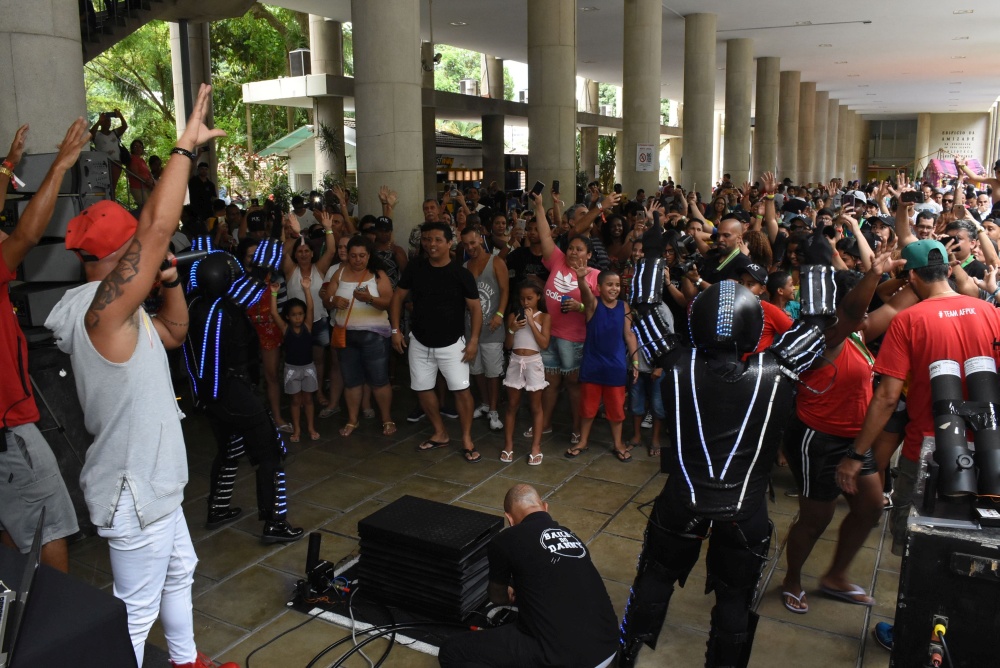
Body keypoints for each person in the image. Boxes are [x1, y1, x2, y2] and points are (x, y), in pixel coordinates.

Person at [46, 85, 237, 668]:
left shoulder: (114, 313)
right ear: (122, 251)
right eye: (136, 245)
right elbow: (156, 228)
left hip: (156, 483)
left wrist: (173, 282)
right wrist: (184, 146)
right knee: (134, 610)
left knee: (179, 573)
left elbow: (174, 334)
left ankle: (186, 661)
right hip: (134, 489)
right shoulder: (102, 313)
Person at [618, 282, 825, 668]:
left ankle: (624, 656)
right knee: (735, 597)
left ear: (696, 321)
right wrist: (817, 257)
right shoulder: (779, 370)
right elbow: (817, 322)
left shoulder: (677, 362)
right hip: (745, 512)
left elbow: (644, 306)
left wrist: (651, 247)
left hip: (680, 502)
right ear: (753, 325)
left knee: (656, 576)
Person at [834, 239, 1000, 650]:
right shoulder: (989, 312)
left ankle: (912, 630)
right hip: (988, 449)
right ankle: (962, 627)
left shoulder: (909, 320)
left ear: (912, 277)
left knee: (921, 546)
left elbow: (888, 397)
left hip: (927, 451)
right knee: (974, 542)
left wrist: (857, 456)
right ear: (947, 270)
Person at [0, 121, 84, 573]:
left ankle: (16, 625)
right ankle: (53, 622)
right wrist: (58, 167)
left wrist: (8, 165)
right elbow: (25, 237)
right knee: (49, 526)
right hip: (9, 432)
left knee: (13, 523)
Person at [183, 249, 304, 544]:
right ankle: (275, 523)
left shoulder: (194, 304)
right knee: (271, 455)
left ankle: (218, 508)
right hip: (235, 391)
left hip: (208, 395)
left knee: (229, 449)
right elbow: (253, 282)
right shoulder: (229, 309)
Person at [438, 484, 619, 668]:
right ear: (545, 507)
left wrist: (507, 594)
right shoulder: (572, 537)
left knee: (451, 650)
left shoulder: (505, 540)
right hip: (608, 646)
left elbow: (497, 597)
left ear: (509, 518)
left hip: (562, 657)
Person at [390, 222, 483, 462]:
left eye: (437, 240)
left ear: (449, 243)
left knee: (462, 391)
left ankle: (466, 439)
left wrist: (473, 341)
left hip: (454, 344)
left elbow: (475, 309)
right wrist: (395, 330)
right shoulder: (415, 268)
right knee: (421, 388)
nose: (431, 244)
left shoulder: (461, 274)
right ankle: (440, 432)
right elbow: (398, 297)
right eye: (427, 239)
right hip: (419, 342)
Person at [324, 236, 395, 437]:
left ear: (369, 255)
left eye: (362, 255)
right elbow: (327, 300)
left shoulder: (377, 274)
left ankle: (387, 418)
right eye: (353, 255)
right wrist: (334, 300)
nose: (357, 260)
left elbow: (388, 301)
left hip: (375, 336)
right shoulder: (339, 273)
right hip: (346, 335)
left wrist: (370, 299)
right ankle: (352, 420)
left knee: (379, 379)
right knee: (352, 380)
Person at [568, 269, 639, 463]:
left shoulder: (624, 307)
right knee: (588, 408)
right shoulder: (592, 304)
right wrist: (581, 279)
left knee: (616, 410)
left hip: (615, 367)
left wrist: (634, 361)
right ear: (599, 287)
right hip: (593, 365)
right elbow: (584, 293)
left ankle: (618, 444)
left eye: (617, 285)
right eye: (609, 284)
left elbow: (629, 335)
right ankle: (583, 442)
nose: (614, 288)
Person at [461, 226, 509, 431]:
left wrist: (499, 314)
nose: (470, 247)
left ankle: (494, 411)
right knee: (477, 370)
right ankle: (485, 403)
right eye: (466, 244)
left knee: (493, 371)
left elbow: (506, 290)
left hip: (492, 327)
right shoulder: (464, 266)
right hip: (471, 328)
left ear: (480, 239)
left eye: (473, 242)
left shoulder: (496, 262)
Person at [501, 278, 551, 465]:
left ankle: (535, 447)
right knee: (512, 405)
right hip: (515, 361)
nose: (525, 303)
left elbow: (544, 344)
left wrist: (531, 322)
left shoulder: (545, 317)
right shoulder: (513, 316)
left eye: (529, 298)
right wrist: (512, 329)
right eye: (522, 299)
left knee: (536, 406)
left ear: (538, 296)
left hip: (533, 362)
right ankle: (508, 445)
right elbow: (507, 345)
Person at [270, 277, 320, 442]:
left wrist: (307, 289)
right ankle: (297, 429)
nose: (298, 318)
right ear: (287, 317)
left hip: (308, 368)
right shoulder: (285, 329)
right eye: (294, 315)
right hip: (292, 369)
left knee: (308, 399)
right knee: (295, 400)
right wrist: (274, 294)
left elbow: (311, 306)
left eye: (300, 314)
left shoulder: (307, 326)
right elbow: (273, 313)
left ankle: (311, 427)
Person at [89, 108, 127, 195]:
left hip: (116, 162)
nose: (107, 122)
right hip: (102, 163)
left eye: (109, 121)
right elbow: (90, 134)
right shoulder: (97, 133)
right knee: (103, 185)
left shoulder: (114, 132)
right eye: (105, 121)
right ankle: (105, 200)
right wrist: (99, 122)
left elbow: (124, 126)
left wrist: (120, 116)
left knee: (113, 186)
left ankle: (111, 201)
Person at [126, 138, 154, 207]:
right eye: (135, 146)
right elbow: (135, 173)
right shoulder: (132, 158)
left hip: (146, 186)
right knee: (146, 207)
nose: (138, 148)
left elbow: (148, 172)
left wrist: (151, 181)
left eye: (140, 146)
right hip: (137, 187)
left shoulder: (142, 160)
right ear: (132, 148)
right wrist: (146, 180)